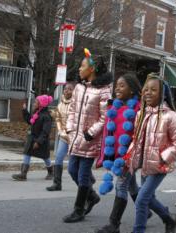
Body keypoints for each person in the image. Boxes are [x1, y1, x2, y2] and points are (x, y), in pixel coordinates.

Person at [95, 73, 154, 233]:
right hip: (117, 153)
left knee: (121, 185)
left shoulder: (139, 109)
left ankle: (114, 225)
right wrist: (106, 155)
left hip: (130, 155)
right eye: (117, 85)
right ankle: (153, 213)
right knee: (131, 186)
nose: (117, 88)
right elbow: (109, 133)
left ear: (132, 90)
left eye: (122, 85)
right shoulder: (113, 107)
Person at [127, 73, 176, 233]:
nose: (148, 92)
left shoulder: (170, 116)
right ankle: (169, 219)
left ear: (163, 93)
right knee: (148, 198)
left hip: (160, 166)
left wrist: (163, 157)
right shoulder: (141, 114)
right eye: (146, 89)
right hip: (144, 164)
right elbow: (136, 139)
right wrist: (130, 157)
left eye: (153, 90)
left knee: (141, 200)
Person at [62, 48, 112, 223]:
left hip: (91, 139)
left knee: (83, 174)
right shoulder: (78, 87)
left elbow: (106, 117)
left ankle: (79, 210)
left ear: (92, 69)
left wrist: (90, 133)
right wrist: (68, 129)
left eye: (82, 66)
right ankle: (91, 196)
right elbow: (72, 110)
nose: (79, 69)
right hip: (75, 137)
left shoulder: (104, 90)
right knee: (71, 169)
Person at [12, 95, 54, 181]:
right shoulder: (36, 113)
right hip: (32, 138)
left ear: (41, 104)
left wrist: (38, 142)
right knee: (27, 153)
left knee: (45, 157)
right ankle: (23, 174)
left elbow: (45, 131)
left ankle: (51, 172)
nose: (34, 103)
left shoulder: (46, 116)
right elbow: (30, 120)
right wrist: (24, 111)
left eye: (36, 102)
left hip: (41, 140)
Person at [46, 82, 75, 191]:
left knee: (74, 164)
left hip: (74, 137)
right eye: (65, 89)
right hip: (63, 136)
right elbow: (58, 119)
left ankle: (88, 181)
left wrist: (71, 134)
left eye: (70, 89)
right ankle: (57, 183)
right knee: (58, 157)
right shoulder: (60, 104)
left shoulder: (77, 104)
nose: (67, 91)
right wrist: (61, 132)